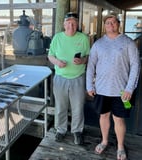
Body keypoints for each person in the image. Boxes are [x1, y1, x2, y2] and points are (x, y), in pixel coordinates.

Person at [86, 13, 140, 160]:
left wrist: (130, 88)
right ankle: (104, 141)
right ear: (105, 25)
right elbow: (91, 65)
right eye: (108, 22)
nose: (111, 25)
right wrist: (89, 85)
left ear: (119, 24)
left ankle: (120, 146)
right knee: (103, 116)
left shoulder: (128, 43)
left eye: (113, 22)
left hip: (121, 90)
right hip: (101, 88)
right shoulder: (98, 44)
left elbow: (135, 66)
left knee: (119, 119)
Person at [48, 12, 90, 145]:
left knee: (77, 107)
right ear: (64, 24)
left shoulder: (83, 38)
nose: (71, 25)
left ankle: (77, 131)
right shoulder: (57, 37)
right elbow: (50, 55)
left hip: (78, 78)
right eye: (69, 23)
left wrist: (82, 60)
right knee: (61, 106)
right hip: (60, 78)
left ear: (77, 25)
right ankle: (60, 130)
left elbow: (89, 57)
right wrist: (57, 62)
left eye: (74, 23)